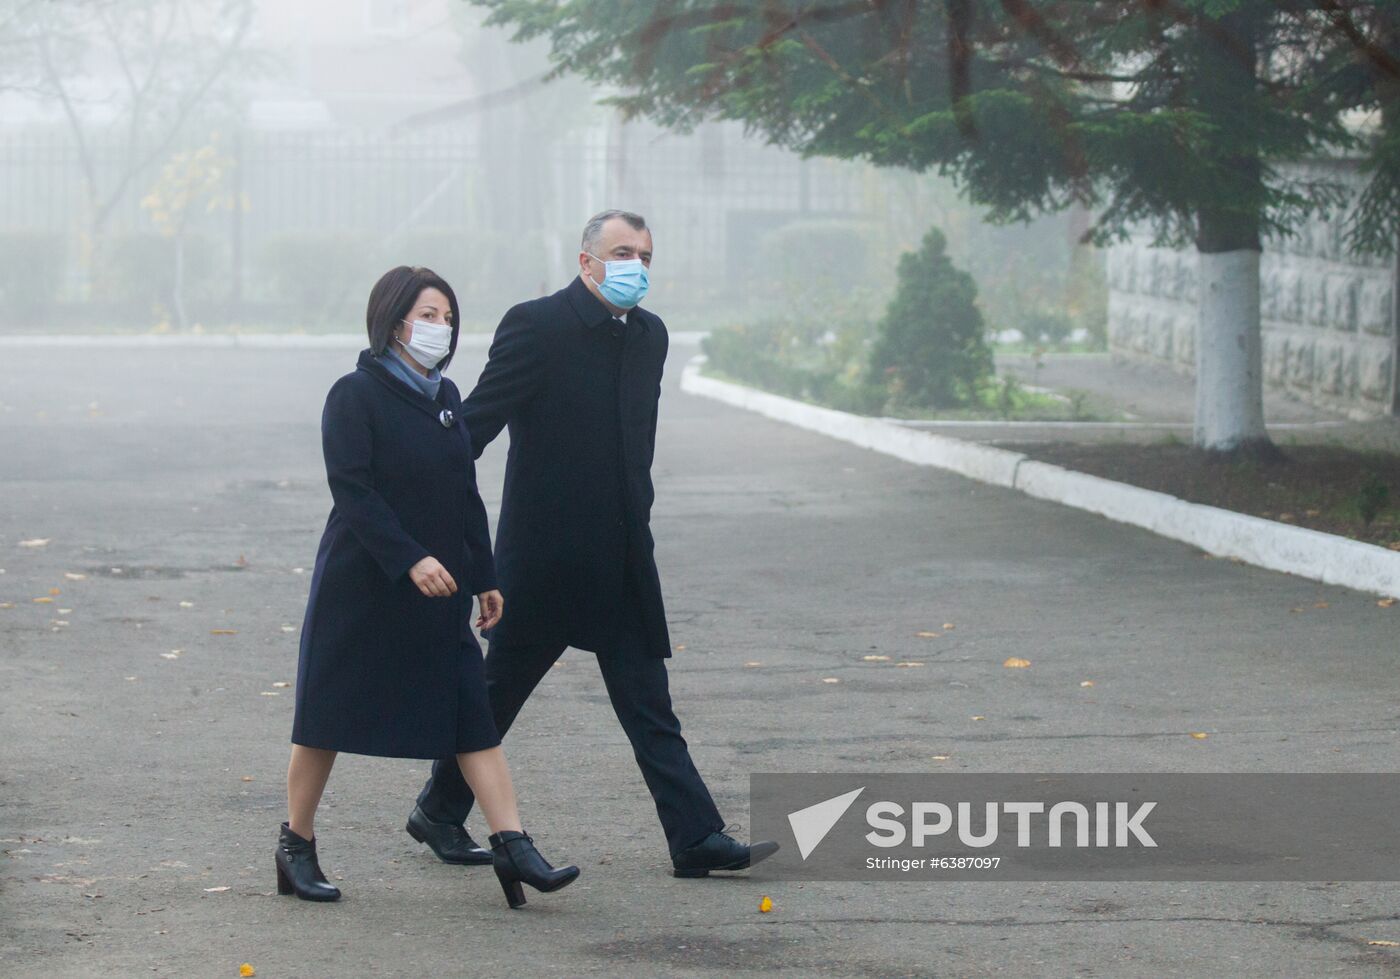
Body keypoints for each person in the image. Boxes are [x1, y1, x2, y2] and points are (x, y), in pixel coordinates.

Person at [408, 211, 779, 877]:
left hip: (623, 557)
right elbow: (475, 427)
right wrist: (425, 512)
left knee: (648, 701)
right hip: (544, 558)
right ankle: (439, 807)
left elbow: (636, 445)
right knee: (497, 692)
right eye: (620, 252)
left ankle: (695, 837)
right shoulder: (537, 326)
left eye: (644, 254)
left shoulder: (649, 337)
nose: (635, 264)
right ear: (586, 262)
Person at [278, 266, 578, 909]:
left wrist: (484, 576)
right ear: (393, 323)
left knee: (471, 716)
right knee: (325, 719)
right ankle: (295, 846)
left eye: (447, 317)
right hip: (364, 586)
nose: (440, 328)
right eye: (428, 316)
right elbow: (353, 492)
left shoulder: (445, 398)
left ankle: (514, 846)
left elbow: (463, 491)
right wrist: (409, 559)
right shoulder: (353, 395)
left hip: (440, 588)